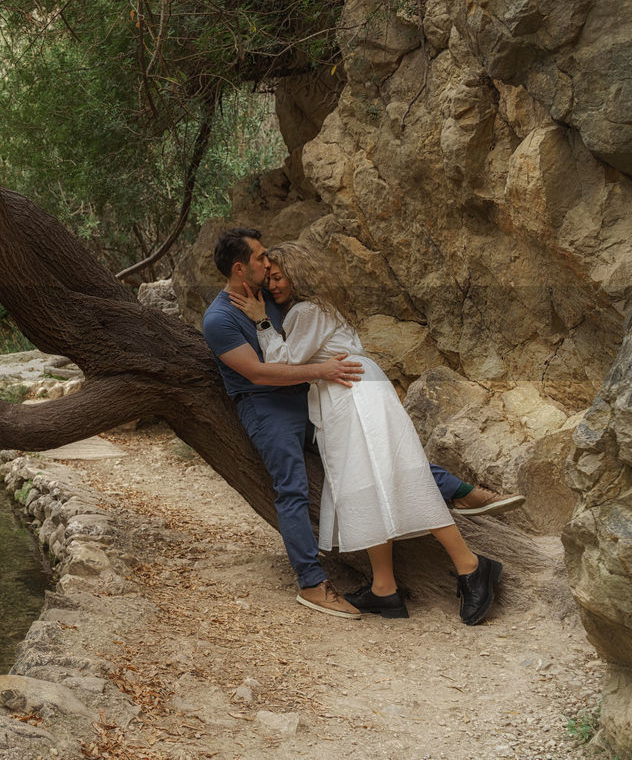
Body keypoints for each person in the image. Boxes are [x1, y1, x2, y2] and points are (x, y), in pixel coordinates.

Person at [200, 228, 522, 620]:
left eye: (276, 270)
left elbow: (302, 350)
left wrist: (273, 328)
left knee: (391, 470)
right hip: (278, 402)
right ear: (240, 268)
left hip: (340, 391)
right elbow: (261, 373)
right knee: (334, 482)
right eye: (262, 262)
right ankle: (332, 584)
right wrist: (315, 362)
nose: (269, 269)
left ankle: (464, 558)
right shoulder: (221, 317)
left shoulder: (286, 302)